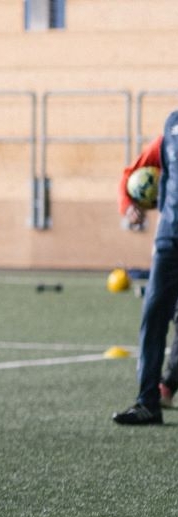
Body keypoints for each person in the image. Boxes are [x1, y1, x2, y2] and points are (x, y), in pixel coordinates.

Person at [114, 119, 178, 425]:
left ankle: (168, 384)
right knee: (153, 316)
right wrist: (128, 204)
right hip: (169, 239)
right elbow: (130, 174)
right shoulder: (172, 128)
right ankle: (147, 403)